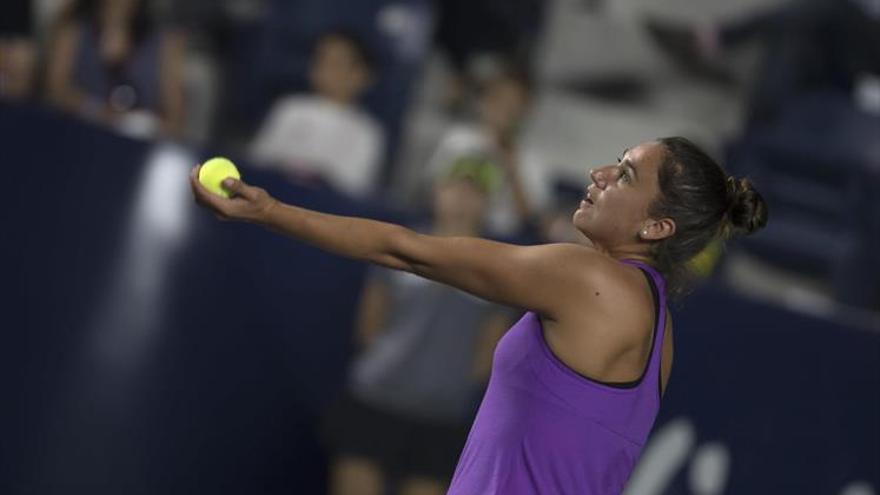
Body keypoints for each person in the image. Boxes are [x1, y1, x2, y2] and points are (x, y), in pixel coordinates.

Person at [189, 136, 768, 494]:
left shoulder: (591, 281)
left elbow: (405, 251)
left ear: (656, 227)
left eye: (624, 176)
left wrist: (271, 212)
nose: (598, 175)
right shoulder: (657, 326)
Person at [322, 158, 514, 495]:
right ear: (437, 190)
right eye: (455, 186)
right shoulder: (400, 246)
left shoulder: (497, 269)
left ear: (487, 201)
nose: (462, 198)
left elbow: (489, 351)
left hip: (441, 417)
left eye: (474, 191)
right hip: (374, 400)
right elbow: (369, 323)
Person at [249, 30, 385, 198]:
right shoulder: (290, 108)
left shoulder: (367, 132)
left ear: (361, 75)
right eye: (321, 60)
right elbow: (259, 163)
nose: (326, 70)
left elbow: (353, 190)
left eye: (337, 63)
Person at [426, 65, 550, 236]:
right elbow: (435, 186)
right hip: (448, 225)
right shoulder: (457, 138)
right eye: (499, 100)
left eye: (514, 104)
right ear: (484, 100)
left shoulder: (530, 159)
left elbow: (532, 221)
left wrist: (511, 167)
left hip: (500, 241)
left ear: (525, 111)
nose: (505, 110)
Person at [45, 0, 187, 138]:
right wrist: (96, 112)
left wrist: (145, 126)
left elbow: (175, 118)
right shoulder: (74, 29)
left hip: (140, 144)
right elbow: (55, 91)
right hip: (78, 135)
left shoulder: (166, 42)